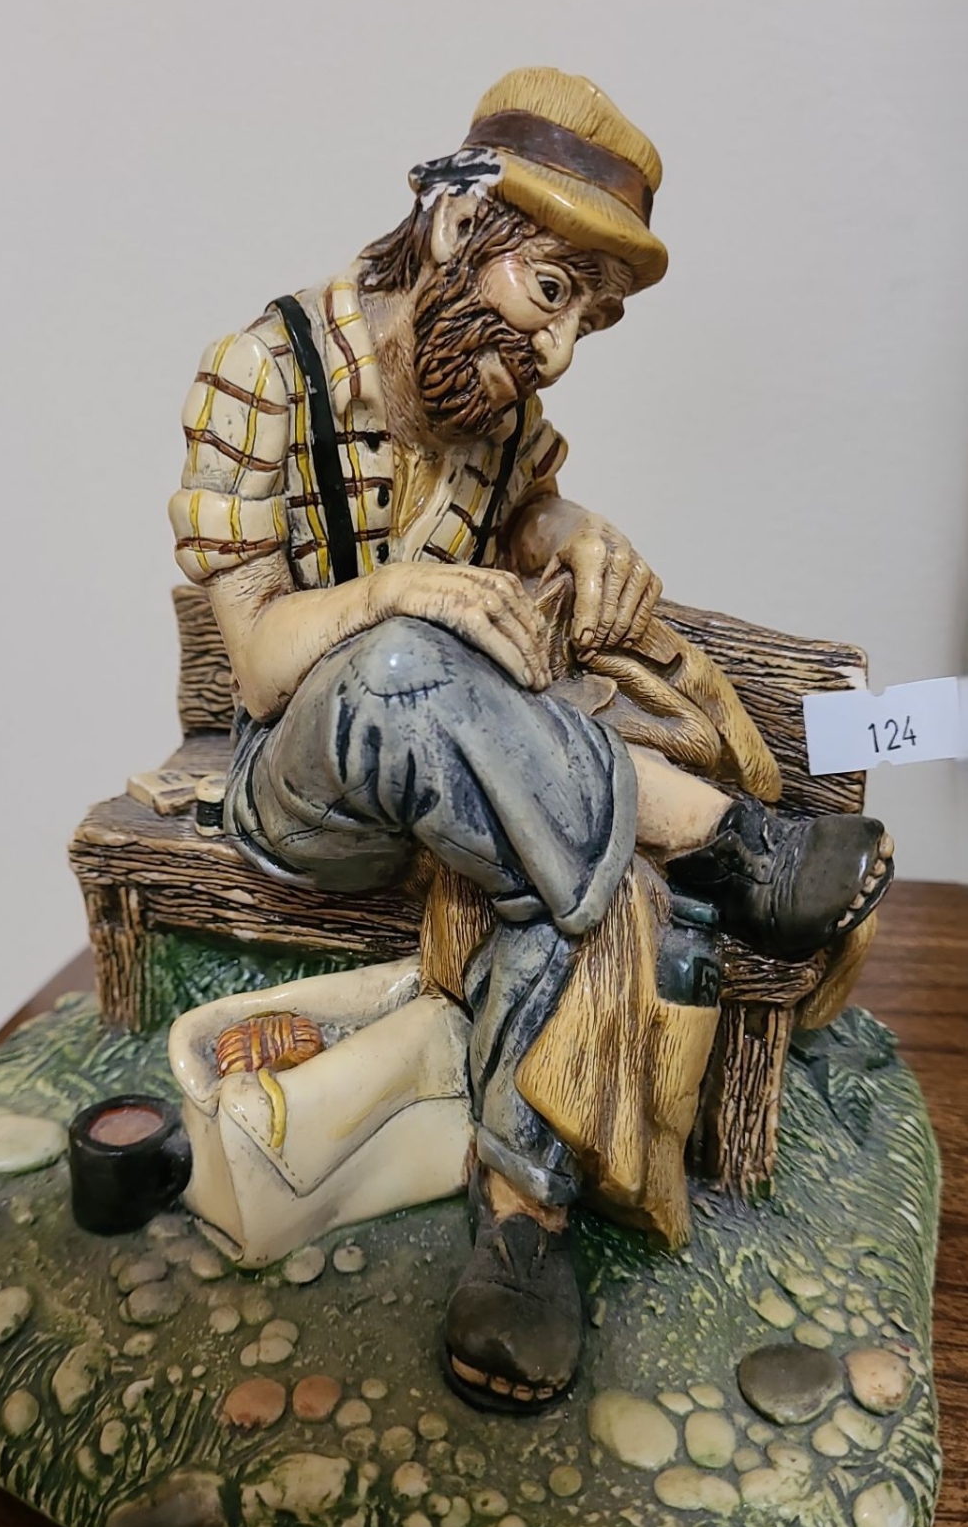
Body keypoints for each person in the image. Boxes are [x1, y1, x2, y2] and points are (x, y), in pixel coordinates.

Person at [168, 68, 892, 1410]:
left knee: (561, 867)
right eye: (550, 292)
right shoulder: (264, 371)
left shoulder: (496, 408)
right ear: (457, 229)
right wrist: (398, 591)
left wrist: (577, 536)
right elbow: (262, 666)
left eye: (586, 323)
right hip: (307, 791)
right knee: (401, 665)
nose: (555, 351)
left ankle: (522, 1224)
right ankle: (719, 839)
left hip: (475, 787)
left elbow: (529, 515)